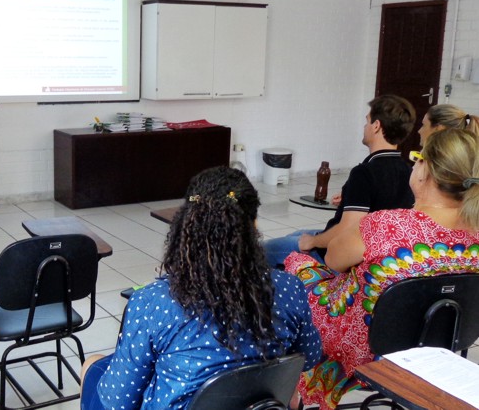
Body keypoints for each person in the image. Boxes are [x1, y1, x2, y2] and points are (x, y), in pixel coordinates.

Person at [80, 166, 321, 410]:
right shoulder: (289, 288)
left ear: (187, 224)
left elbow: (118, 402)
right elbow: (309, 357)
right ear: (254, 225)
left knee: (93, 367)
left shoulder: (152, 302)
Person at [285, 128, 479, 409]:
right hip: (440, 344)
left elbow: (333, 260)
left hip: (363, 345)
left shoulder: (387, 225)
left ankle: (291, 391)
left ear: (425, 171)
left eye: (418, 158)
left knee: (295, 265)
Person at [263, 94, 416, 267]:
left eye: (367, 121)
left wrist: (313, 242)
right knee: (296, 235)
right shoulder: (409, 171)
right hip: (380, 255)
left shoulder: (364, 172)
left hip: (341, 256)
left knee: (262, 250)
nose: (364, 127)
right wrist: (349, 200)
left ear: (376, 126)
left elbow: (348, 229)